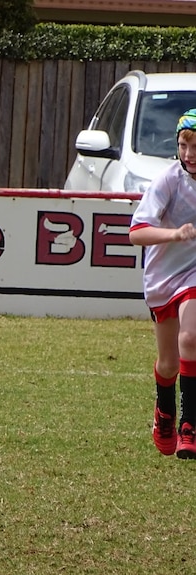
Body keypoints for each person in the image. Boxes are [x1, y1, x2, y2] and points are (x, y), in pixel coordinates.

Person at [130, 108, 196, 460]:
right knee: (168, 362)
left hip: (193, 276)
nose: (190, 154)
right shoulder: (168, 180)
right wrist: (174, 233)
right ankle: (165, 415)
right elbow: (136, 232)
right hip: (162, 279)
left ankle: (190, 426)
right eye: (185, 144)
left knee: (192, 336)